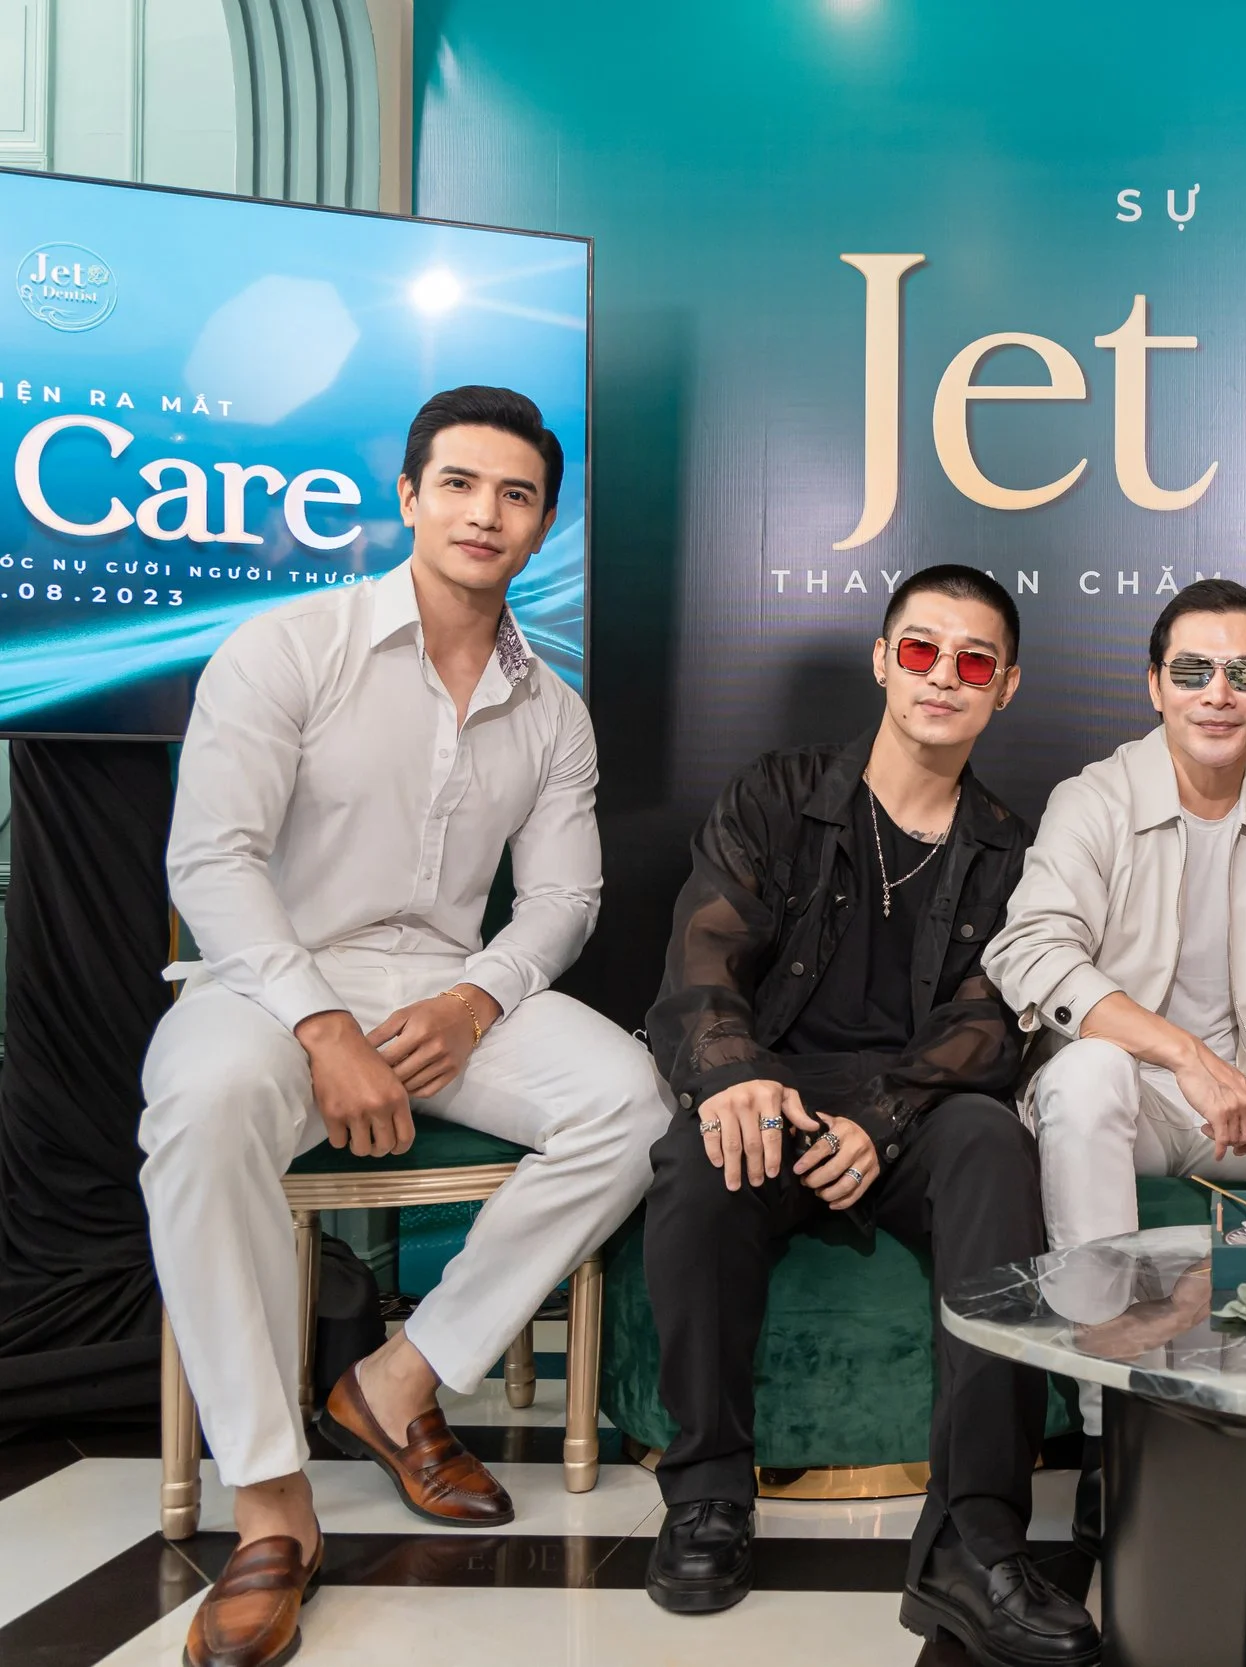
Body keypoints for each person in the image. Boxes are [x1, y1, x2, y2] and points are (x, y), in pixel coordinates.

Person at [139, 387, 674, 1667]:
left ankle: (396, 1379)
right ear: (408, 497)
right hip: (267, 978)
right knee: (203, 1108)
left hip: (443, 985)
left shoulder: (552, 707)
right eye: (460, 484)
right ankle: (272, 1501)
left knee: (633, 1104)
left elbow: (563, 898)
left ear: (542, 524)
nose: (485, 513)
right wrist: (322, 1024)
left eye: (516, 494)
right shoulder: (288, 646)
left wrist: (476, 997)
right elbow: (212, 861)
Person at [638, 566, 1099, 1667]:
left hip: (917, 1104)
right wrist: (736, 1076)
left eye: (974, 661)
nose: (945, 677)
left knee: (994, 1142)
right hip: (775, 1081)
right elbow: (703, 954)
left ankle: (975, 1539)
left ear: (1006, 687)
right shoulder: (778, 793)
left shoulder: (1009, 846)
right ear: (884, 658)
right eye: (923, 650)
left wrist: (884, 1118)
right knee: (700, 1163)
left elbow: (990, 1018)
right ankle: (707, 1495)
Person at [983, 579, 1246, 1473]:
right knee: (1087, 1071)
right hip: (1131, 1100)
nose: (1218, 694)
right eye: (1193, 671)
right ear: (1154, 685)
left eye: (1245, 674)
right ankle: (1112, 1426)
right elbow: (1031, 950)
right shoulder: (1093, 799)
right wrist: (1186, 1056)